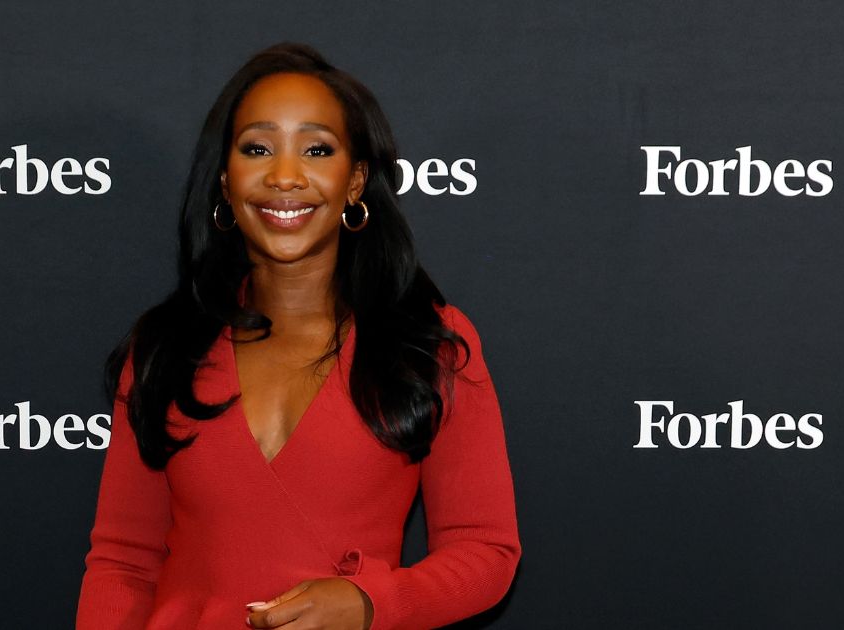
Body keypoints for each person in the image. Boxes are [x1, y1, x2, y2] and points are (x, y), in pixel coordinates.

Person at [76, 42, 520, 630]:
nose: (285, 176)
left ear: (355, 180)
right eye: (257, 149)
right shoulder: (165, 345)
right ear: (225, 180)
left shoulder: (428, 342)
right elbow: (123, 563)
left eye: (317, 150)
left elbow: (485, 551)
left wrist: (371, 603)